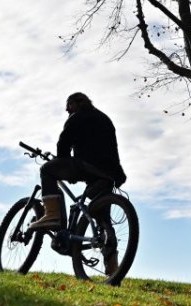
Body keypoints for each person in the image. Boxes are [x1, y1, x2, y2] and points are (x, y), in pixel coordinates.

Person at [27, 92, 126, 235]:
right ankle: (110, 251)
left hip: (88, 165)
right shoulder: (105, 119)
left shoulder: (78, 117)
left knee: (46, 170)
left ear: (79, 103)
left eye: (69, 104)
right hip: (110, 173)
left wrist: (62, 161)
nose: (67, 109)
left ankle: (53, 215)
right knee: (103, 220)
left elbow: (64, 144)